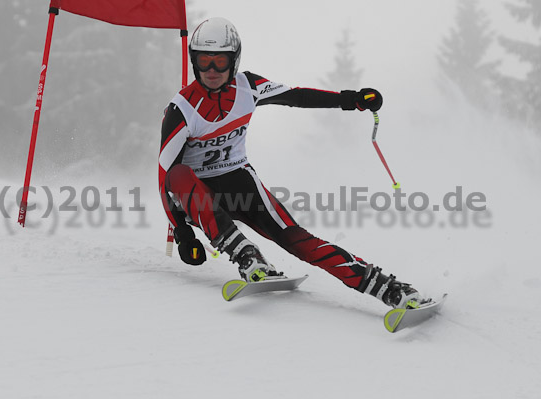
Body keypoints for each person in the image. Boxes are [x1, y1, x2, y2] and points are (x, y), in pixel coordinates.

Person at [159, 17, 428, 309]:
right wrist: (184, 235)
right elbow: (165, 179)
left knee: (298, 240)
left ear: (233, 61)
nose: (211, 70)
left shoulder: (248, 86)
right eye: (203, 61)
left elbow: (296, 96)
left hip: (239, 182)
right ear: (194, 61)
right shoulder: (181, 109)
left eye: (220, 62)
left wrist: (351, 100)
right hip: (198, 195)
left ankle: (388, 289)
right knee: (179, 172)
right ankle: (246, 255)